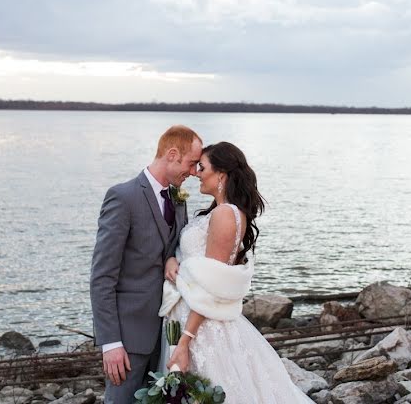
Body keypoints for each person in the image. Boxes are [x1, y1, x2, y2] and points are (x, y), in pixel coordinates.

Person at [160, 142, 314, 403]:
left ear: (221, 174)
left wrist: (185, 341)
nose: (197, 172)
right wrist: (172, 259)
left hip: (202, 328)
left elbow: (213, 285)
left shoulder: (225, 215)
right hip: (191, 318)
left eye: (202, 167)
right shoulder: (220, 212)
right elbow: (198, 262)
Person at [90, 125, 203, 404]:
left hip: (166, 333)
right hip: (127, 338)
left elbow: (172, 245)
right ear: (172, 154)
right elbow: (102, 276)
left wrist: (172, 257)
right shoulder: (123, 197)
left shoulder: (178, 200)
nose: (192, 172)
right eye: (190, 164)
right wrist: (110, 343)